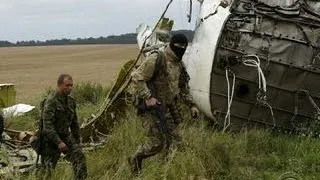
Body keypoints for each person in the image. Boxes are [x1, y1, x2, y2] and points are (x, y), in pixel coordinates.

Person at [128, 34, 200, 175]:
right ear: (172, 45)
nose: (181, 50)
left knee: (176, 140)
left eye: (184, 47)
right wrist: (148, 97)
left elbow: (183, 87)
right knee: (156, 142)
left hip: (166, 106)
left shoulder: (179, 64)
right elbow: (136, 77)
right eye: (179, 47)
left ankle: (166, 170)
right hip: (151, 108)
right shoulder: (157, 59)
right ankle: (136, 159)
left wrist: (192, 105)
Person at [40, 74, 87, 180]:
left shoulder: (71, 102)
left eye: (71, 85)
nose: (70, 88)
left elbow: (74, 124)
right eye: (67, 85)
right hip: (50, 139)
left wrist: (77, 141)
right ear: (59, 85)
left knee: (79, 157)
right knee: (48, 169)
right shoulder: (51, 101)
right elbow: (47, 126)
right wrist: (59, 142)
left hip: (65, 135)